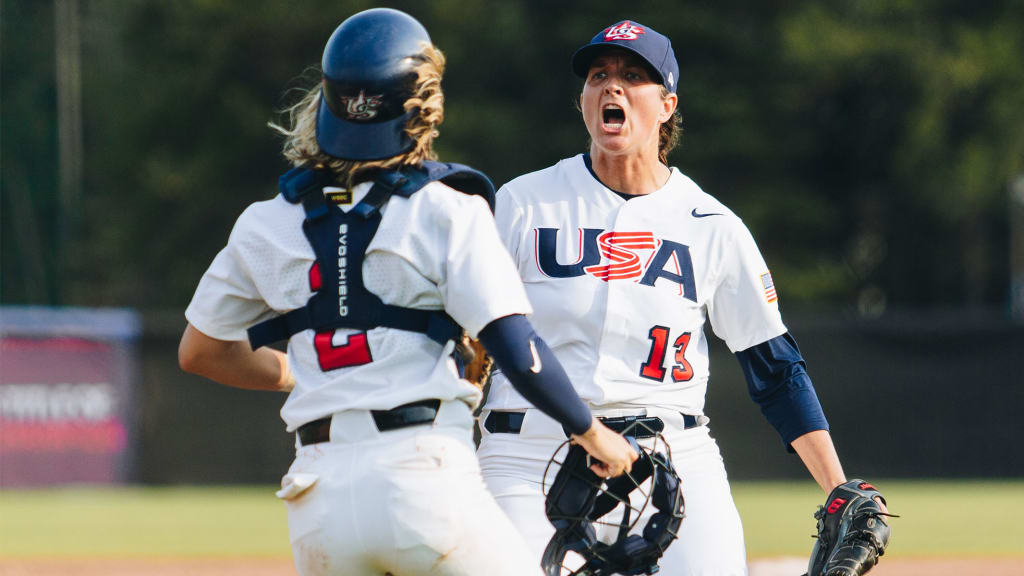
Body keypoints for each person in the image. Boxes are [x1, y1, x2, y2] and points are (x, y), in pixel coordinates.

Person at [177, 9, 635, 576]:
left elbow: (200, 352)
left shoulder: (264, 223)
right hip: (423, 474)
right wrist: (592, 433)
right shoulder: (446, 209)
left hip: (317, 494)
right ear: (421, 109)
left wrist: (295, 374)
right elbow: (519, 348)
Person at [477, 19, 888, 575]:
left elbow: (775, 369)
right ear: (582, 101)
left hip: (672, 455)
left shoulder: (712, 225)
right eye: (599, 75)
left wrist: (836, 486)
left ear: (667, 105)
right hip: (527, 453)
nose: (612, 87)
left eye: (633, 76)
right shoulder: (524, 203)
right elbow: (467, 338)